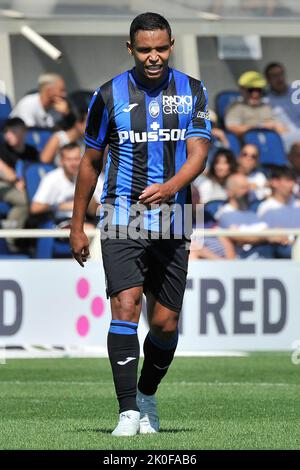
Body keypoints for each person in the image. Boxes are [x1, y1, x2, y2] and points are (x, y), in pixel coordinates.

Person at [70, 12, 211, 436]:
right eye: (145, 49)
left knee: (166, 323)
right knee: (126, 306)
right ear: (130, 49)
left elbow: (199, 154)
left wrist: (170, 187)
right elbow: (91, 161)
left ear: (171, 45)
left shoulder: (193, 90)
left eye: (161, 48)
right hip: (121, 214)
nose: (154, 57)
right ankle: (128, 411)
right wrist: (77, 224)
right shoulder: (108, 94)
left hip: (175, 214)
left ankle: (148, 394)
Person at [216, 173, 289, 258]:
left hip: (266, 255)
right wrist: (268, 237)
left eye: (248, 187)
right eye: (242, 188)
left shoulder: (251, 213)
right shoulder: (224, 214)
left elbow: (266, 229)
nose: (247, 191)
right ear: (230, 192)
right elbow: (240, 238)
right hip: (245, 260)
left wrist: (277, 233)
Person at [31, 142, 98, 226]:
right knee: (91, 231)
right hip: (59, 222)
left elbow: (93, 211)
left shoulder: (84, 177)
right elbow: (35, 208)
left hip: (85, 220)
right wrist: (61, 206)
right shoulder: (52, 178)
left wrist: (89, 194)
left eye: (76, 159)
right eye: (69, 159)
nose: (73, 163)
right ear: (62, 161)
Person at [225, 71, 286, 138]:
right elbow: (232, 128)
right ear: (242, 90)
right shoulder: (236, 107)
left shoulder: (266, 106)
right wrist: (260, 127)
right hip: (248, 142)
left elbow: (280, 127)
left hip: (270, 140)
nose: (255, 94)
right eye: (251, 90)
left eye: (259, 90)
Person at [265, 62, 300, 150]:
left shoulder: (296, 92)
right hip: (285, 139)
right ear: (268, 80)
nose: (279, 78)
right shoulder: (265, 100)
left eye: (281, 74)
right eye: (274, 76)